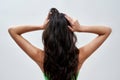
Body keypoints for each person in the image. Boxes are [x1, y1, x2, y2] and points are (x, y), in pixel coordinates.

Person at [8, 8, 112, 80]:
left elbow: (13, 31)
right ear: (69, 34)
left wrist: (40, 26)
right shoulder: (79, 56)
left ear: (49, 35)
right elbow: (106, 31)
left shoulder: (41, 58)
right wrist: (81, 28)